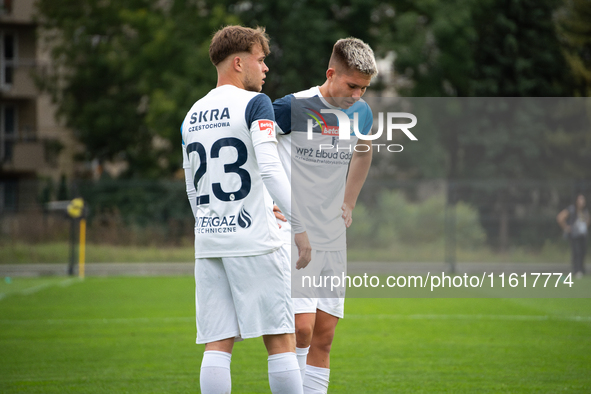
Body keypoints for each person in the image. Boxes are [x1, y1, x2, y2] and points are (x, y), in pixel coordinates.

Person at [180, 25, 312, 394]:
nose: (265, 68)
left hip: (209, 242)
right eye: (260, 59)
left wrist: (211, 223)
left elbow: (193, 187)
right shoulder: (256, 103)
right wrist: (300, 226)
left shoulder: (191, 115)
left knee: (218, 343)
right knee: (280, 341)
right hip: (256, 239)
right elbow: (269, 168)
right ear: (239, 63)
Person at [272, 37, 377, 394]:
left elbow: (364, 154)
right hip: (294, 234)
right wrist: (264, 200)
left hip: (333, 236)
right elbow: (254, 151)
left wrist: (349, 202)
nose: (357, 96)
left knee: (325, 335)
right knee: (301, 327)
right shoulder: (291, 107)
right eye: (352, 86)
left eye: (364, 88)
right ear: (331, 73)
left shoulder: (360, 112)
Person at [557, 193, 590, 278]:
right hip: (574, 235)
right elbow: (560, 217)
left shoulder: (585, 211)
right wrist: (566, 227)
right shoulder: (571, 209)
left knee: (583, 252)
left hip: (582, 234)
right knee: (576, 252)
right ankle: (577, 270)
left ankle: (582, 269)